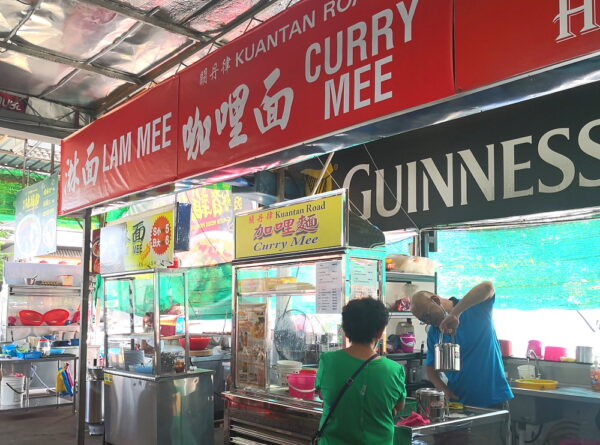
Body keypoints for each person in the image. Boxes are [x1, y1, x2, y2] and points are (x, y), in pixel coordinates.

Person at [315, 297, 406, 445]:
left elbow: (324, 396)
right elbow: (398, 407)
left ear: (345, 330)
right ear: (380, 332)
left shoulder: (328, 361)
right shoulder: (395, 370)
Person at [411, 281, 513, 408]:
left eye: (427, 315)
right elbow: (431, 369)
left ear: (435, 300)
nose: (428, 321)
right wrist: (445, 391)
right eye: (423, 320)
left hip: (492, 398)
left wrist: (455, 313)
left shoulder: (474, 308)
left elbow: (488, 287)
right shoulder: (434, 332)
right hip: (459, 402)